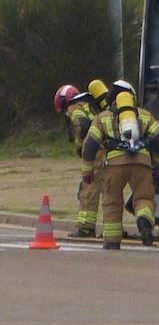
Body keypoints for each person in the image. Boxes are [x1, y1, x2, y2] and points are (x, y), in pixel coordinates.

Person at [81, 80, 159, 250]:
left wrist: (87, 171)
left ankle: (112, 241)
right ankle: (144, 220)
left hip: (114, 166)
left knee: (112, 201)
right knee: (144, 198)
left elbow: (89, 145)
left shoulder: (103, 118)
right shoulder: (144, 115)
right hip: (141, 164)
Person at [54, 84, 100, 238]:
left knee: (88, 188)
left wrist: (82, 146)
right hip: (109, 150)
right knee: (110, 190)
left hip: (96, 152)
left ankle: (86, 228)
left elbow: (83, 125)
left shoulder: (74, 108)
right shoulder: (90, 105)